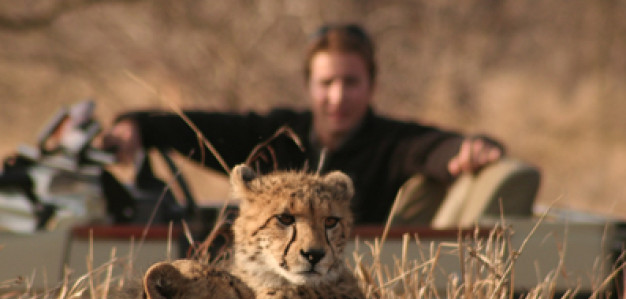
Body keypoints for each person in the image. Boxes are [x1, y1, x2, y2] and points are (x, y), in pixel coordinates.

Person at [99, 23, 504, 225]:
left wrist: (470, 149)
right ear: (309, 86)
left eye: (351, 82)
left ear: (372, 85)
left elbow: (435, 147)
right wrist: (136, 125)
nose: (338, 96)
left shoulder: (391, 142)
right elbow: (200, 130)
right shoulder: (280, 134)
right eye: (327, 83)